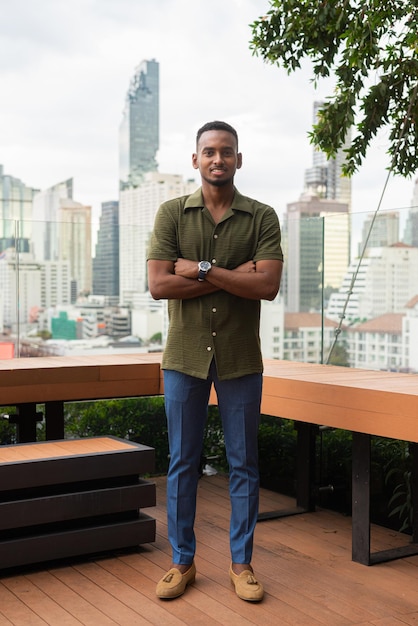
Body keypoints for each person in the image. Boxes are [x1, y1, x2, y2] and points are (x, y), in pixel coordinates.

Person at [147, 120, 283, 602]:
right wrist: (231, 275)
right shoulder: (171, 214)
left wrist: (201, 268)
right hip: (183, 357)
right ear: (195, 159)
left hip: (241, 357)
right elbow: (160, 284)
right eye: (209, 151)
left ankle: (241, 564)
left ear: (238, 159)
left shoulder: (262, 217)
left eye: (227, 151)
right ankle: (181, 562)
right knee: (183, 463)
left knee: (244, 463)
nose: (218, 159)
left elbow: (266, 285)